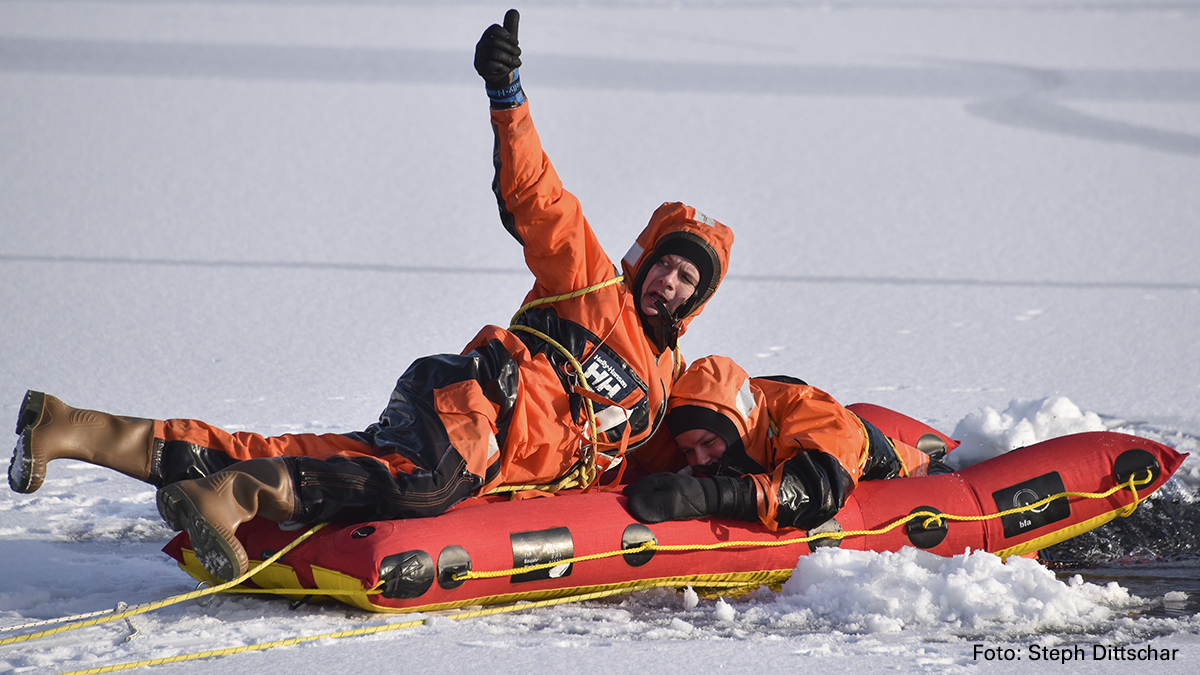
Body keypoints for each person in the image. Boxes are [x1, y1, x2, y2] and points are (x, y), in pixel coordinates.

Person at [8, 9, 734, 583]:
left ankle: (70, 427)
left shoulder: (661, 389)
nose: (668, 281)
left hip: (476, 444)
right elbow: (536, 195)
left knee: (303, 453)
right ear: (646, 261)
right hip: (473, 404)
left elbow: (661, 459)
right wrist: (507, 96)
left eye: (687, 281)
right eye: (666, 264)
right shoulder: (592, 280)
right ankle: (234, 499)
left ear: (694, 302)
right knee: (420, 487)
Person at [624, 355, 952, 531]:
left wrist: (711, 496)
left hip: (925, 485)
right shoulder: (744, 434)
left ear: (740, 421)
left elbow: (818, 488)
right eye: (687, 451)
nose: (700, 459)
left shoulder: (810, 412)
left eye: (709, 441)